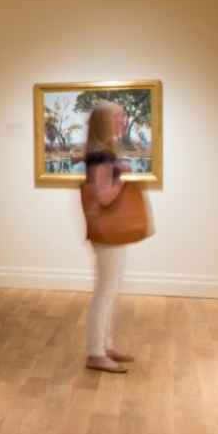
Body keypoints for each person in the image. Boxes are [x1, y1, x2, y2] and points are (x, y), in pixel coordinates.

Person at [81, 101, 135, 373]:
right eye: (117, 115)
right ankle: (95, 352)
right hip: (107, 232)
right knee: (105, 291)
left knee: (109, 289)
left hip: (105, 232)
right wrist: (121, 178)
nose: (122, 119)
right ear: (105, 120)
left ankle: (104, 344)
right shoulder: (102, 154)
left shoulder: (100, 152)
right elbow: (103, 197)